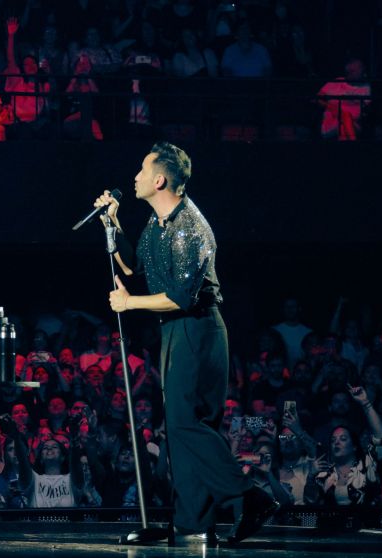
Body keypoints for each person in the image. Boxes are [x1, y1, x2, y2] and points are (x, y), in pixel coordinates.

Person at [97, 142, 278, 544]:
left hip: (196, 326)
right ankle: (194, 523)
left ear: (160, 180)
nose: (136, 177)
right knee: (184, 427)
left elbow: (181, 296)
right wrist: (112, 222)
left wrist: (128, 304)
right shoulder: (157, 224)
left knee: (186, 423)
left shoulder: (190, 228)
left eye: (143, 170)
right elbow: (134, 265)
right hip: (175, 328)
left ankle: (250, 497)